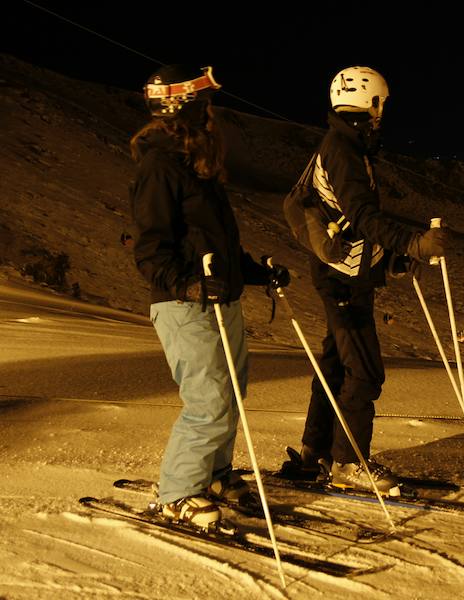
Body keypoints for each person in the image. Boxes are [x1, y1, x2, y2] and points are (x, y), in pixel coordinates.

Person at [129, 64, 290, 528]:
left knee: (231, 394)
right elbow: (150, 248)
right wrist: (187, 284)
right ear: (188, 108)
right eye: (206, 106)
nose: (211, 115)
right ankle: (178, 490)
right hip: (184, 305)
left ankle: (215, 471)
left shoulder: (195, 165)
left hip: (220, 298)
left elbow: (215, 242)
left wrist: (256, 272)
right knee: (208, 401)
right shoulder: (159, 168)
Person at [284, 66, 447, 494]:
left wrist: (387, 261)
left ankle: (315, 450)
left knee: (337, 365)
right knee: (365, 371)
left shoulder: (346, 145)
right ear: (369, 103)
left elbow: (350, 221)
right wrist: (415, 244)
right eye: (381, 105)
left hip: (346, 274)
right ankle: (349, 463)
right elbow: (364, 218)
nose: (383, 113)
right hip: (342, 281)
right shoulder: (343, 150)